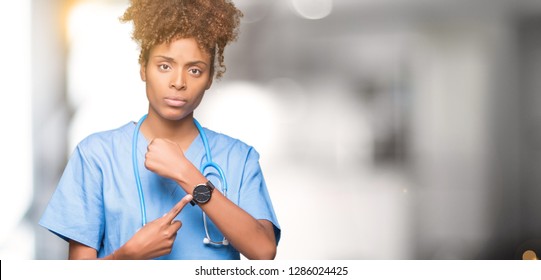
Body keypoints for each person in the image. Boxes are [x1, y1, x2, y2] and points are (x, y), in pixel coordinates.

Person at [39, 0, 280, 260]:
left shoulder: (239, 158)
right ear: (143, 67)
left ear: (210, 77)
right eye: (165, 66)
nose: (178, 82)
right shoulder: (96, 155)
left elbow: (264, 251)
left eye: (195, 70)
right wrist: (129, 255)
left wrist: (186, 173)